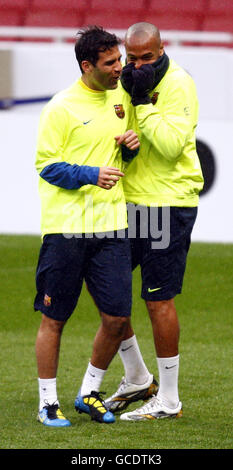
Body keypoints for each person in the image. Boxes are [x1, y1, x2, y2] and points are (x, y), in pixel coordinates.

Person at [34, 25, 146, 427]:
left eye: (119, 60)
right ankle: (48, 402)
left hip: (112, 227)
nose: (120, 68)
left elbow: (119, 156)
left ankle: (88, 392)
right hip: (66, 229)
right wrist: (88, 173)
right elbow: (46, 166)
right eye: (111, 62)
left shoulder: (121, 97)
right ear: (87, 66)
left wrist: (130, 151)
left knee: (116, 318)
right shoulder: (60, 107)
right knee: (55, 318)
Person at [105, 22, 204, 420]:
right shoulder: (126, 83)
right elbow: (125, 134)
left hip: (167, 202)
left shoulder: (179, 83)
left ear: (162, 50)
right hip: (129, 200)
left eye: (148, 58)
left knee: (158, 299)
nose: (139, 65)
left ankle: (169, 398)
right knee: (106, 288)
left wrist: (143, 102)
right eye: (133, 59)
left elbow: (168, 146)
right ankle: (136, 375)